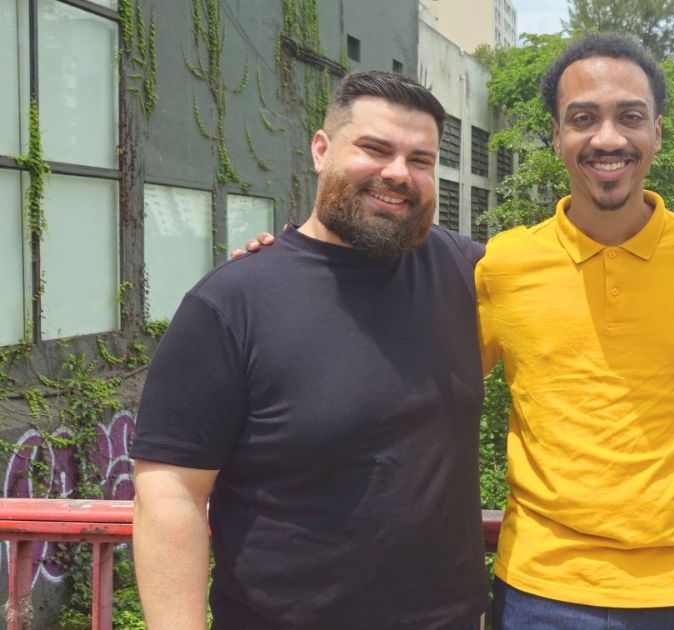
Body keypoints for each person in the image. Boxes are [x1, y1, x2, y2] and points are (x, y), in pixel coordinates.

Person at [130, 71, 488, 629]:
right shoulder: (233, 301)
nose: (398, 173)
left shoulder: (469, 274)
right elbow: (170, 490)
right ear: (322, 150)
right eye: (375, 149)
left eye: (420, 159)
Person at [475, 34, 674, 628]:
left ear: (657, 133)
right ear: (556, 137)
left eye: (629, 117)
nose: (608, 138)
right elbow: (420, 380)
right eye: (583, 118)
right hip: (539, 588)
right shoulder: (503, 264)